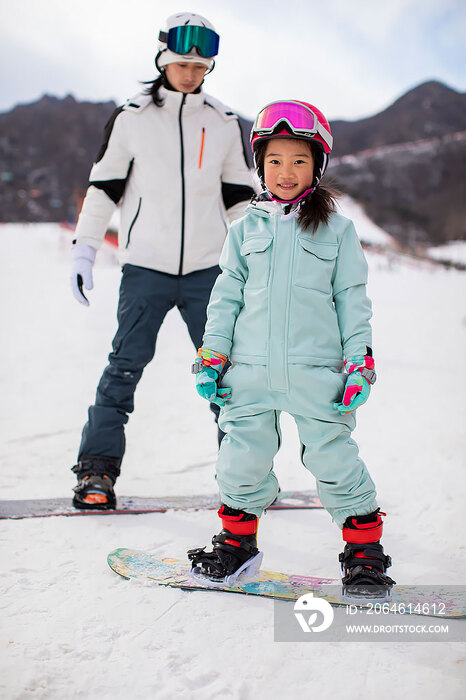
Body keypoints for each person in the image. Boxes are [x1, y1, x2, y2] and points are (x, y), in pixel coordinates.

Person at [188, 100, 395, 595]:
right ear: (260, 165)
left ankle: (364, 554)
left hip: (316, 374)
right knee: (240, 461)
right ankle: (236, 546)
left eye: (299, 160)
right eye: (275, 160)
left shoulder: (338, 231)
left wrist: (359, 362)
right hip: (249, 374)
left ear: (316, 166)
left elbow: (352, 300)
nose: (286, 171)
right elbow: (225, 298)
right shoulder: (243, 232)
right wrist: (211, 354)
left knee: (335, 461)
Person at [70, 12, 255, 510]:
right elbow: (104, 188)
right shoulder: (131, 117)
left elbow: (240, 195)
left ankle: (244, 477)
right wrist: (85, 247)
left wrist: (255, 252)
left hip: (207, 271)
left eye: (201, 65)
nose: (192, 73)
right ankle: (96, 473)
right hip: (146, 268)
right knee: (124, 368)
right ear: (163, 60)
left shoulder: (222, 121)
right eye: (182, 63)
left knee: (226, 373)